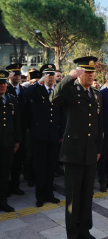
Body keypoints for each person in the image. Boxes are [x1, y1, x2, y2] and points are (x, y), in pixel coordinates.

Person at [50, 56, 103, 239]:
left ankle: (84, 230)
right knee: (73, 196)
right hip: (72, 153)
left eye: (92, 72)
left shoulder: (97, 94)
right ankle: (71, 234)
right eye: (87, 72)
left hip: (90, 152)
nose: (91, 75)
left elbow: (99, 124)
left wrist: (99, 148)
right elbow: (53, 98)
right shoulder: (71, 91)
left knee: (87, 194)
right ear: (79, 73)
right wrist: (67, 78)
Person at [25, 64, 62, 208]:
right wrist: (38, 82)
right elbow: (24, 95)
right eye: (48, 74)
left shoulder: (57, 91)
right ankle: (40, 196)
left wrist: (60, 133)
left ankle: (49, 194)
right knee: (40, 167)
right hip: (40, 136)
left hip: (53, 135)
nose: (51, 77)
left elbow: (61, 113)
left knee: (51, 166)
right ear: (43, 76)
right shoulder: (37, 90)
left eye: (52, 74)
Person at [0, 70, 21, 212]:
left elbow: (17, 121)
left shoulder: (11, 99)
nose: (2, 86)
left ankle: (3, 201)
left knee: (5, 172)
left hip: (8, 143)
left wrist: (17, 140)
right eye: (0, 84)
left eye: (4, 83)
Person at [6, 64, 28, 196]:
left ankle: (15, 185)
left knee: (18, 161)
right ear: (9, 75)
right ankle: (6, 187)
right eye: (15, 73)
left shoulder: (24, 90)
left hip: (22, 130)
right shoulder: (5, 88)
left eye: (19, 73)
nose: (18, 76)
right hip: (8, 131)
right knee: (6, 162)